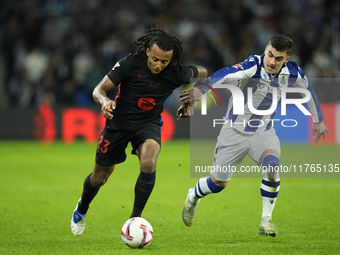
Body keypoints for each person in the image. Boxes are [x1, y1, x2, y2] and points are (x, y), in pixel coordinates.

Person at [180, 34, 329, 237]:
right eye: (270, 55)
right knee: (217, 184)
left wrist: (319, 120)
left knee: (272, 166)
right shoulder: (253, 65)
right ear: (266, 49)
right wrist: (203, 89)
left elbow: (309, 91)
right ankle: (193, 196)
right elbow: (226, 72)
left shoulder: (293, 72)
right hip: (233, 133)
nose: (271, 61)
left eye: (278, 58)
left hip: (263, 133)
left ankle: (265, 220)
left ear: (287, 58)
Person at [70, 27, 207, 236]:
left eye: (164, 61)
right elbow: (99, 89)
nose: (158, 65)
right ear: (146, 51)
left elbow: (204, 73)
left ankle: (135, 219)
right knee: (100, 177)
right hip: (118, 124)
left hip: (148, 125)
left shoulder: (175, 72)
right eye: (155, 59)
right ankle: (81, 208)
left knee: (149, 160)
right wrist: (105, 101)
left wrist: (195, 96)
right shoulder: (130, 63)